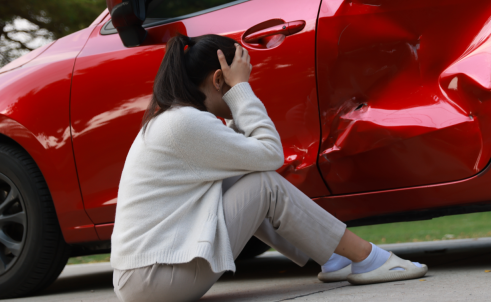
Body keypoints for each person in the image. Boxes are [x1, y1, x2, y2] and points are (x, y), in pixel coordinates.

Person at [110, 34, 427, 302]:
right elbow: (270, 154)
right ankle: (365, 258)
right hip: (154, 279)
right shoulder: (185, 122)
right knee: (263, 184)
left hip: (147, 278)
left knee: (248, 178)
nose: (245, 87)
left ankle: (335, 258)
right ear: (219, 80)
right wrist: (240, 93)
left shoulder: (176, 120)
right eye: (239, 81)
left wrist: (236, 99)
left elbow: (246, 159)